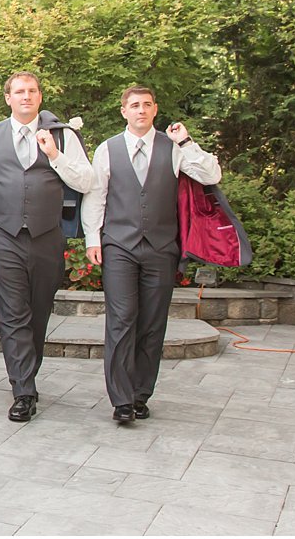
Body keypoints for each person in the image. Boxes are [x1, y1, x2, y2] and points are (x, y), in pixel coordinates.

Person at [0, 72, 93, 422]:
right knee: (13, 311)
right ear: (8, 98)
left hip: (47, 236)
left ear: (40, 97)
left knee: (39, 310)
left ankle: (26, 373)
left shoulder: (62, 135)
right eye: (19, 91)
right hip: (3, 235)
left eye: (32, 91)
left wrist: (55, 155)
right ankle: (23, 390)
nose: (26, 96)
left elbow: (87, 180)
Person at [81, 85, 221, 424]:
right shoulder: (107, 149)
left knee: (153, 324)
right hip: (119, 245)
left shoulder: (173, 149)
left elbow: (211, 174)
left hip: (161, 247)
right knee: (122, 320)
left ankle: (141, 394)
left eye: (146, 105)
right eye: (134, 105)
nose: (140, 110)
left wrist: (187, 142)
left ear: (155, 109)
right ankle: (121, 399)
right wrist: (92, 239)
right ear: (123, 111)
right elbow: (96, 196)